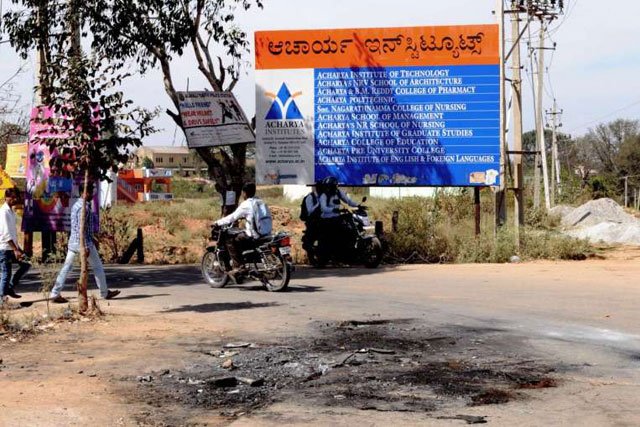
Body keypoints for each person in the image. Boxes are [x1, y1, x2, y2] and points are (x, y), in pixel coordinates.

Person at [49, 182, 120, 303]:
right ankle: (104, 292)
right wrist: (85, 246)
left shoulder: (76, 205)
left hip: (74, 242)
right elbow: (81, 229)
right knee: (97, 267)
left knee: (67, 268)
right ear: (84, 193)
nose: (92, 194)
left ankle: (54, 293)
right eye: (90, 192)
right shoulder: (84, 208)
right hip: (83, 242)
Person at [214, 182, 270, 276]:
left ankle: (239, 267)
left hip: (253, 235)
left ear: (244, 193)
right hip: (265, 233)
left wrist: (217, 222)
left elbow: (232, 217)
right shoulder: (260, 202)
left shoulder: (246, 204)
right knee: (241, 234)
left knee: (230, 239)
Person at [0, 188, 31, 302]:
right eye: (12, 197)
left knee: (26, 264)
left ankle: (10, 287)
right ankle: (2, 300)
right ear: (6, 197)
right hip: (5, 248)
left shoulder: (11, 211)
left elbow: (12, 232)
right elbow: (5, 234)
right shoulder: (3, 212)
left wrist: (18, 248)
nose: (15, 199)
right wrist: (16, 250)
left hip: (13, 247)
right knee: (6, 273)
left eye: (16, 197)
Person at [317, 176, 360, 255]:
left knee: (348, 225)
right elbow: (323, 208)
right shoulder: (324, 196)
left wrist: (358, 205)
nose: (335, 187)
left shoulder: (338, 192)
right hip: (326, 219)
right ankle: (335, 249)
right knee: (336, 232)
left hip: (337, 217)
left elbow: (348, 201)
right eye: (332, 186)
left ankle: (349, 245)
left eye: (335, 185)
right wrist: (334, 210)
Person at [300, 181, 322, 253]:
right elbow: (310, 211)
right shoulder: (310, 197)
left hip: (321, 221)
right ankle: (312, 256)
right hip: (312, 222)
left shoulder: (322, 197)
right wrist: (318, 204)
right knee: (310, 241)